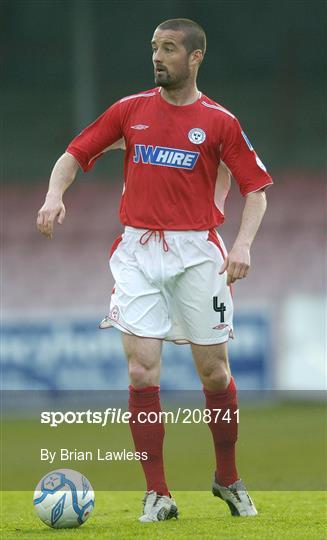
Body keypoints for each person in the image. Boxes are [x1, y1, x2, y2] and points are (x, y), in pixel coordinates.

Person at [37, 18, 272, 522]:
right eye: (154, 48)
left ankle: (227, 478)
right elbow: (72, 155)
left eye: (168, 49)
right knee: (141, 369)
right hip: (138, 252)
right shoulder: (131, 111)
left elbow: (257, 191)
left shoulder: (219, 122)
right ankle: (158, 494)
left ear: (195, 58)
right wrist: (55, 195)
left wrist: (244, 245)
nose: (157, 57)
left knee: (214, 373)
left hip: (198, 254)